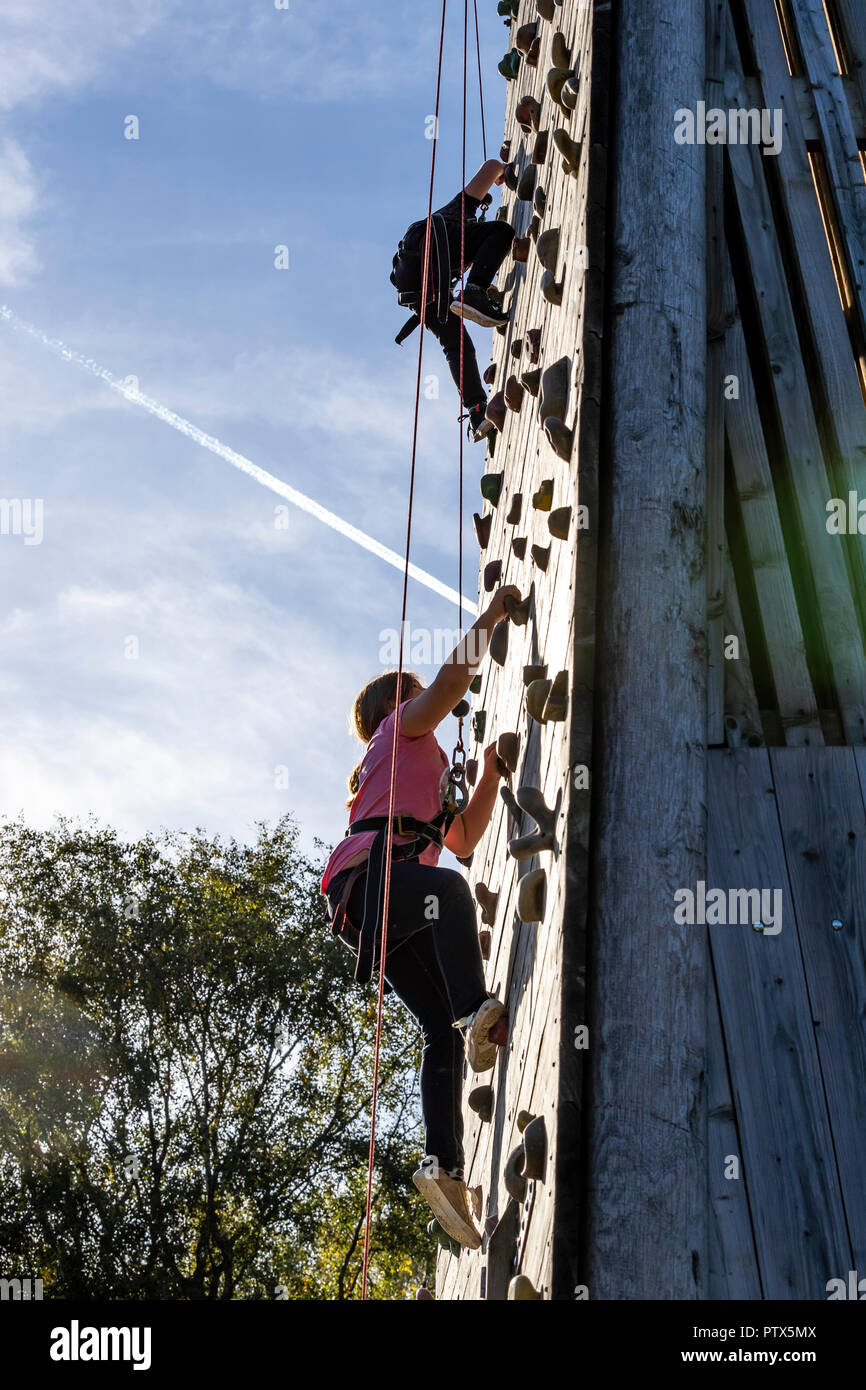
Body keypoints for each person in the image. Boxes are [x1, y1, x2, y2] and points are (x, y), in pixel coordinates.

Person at [321, 583, 521, 1248]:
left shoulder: (425, 776)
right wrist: (490, 618)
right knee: (452, 897)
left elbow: (462, 838)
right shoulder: (398, 727)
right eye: (411, 696)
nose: (426, 708)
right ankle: (478, 1010)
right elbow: (450, 680)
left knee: (438, 1028)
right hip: (371, 881)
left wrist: (490, 770)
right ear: (393, 707)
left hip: (374, 907)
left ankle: (446, 1169)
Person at [390, 159, 516, 443]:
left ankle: (477, 409)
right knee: (501, 232)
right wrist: (501, 171)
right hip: (437, 257)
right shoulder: (461, 207)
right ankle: (473, 292)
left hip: (419, 291)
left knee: (456, 345)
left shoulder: (447, 240)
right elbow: (492, 166)